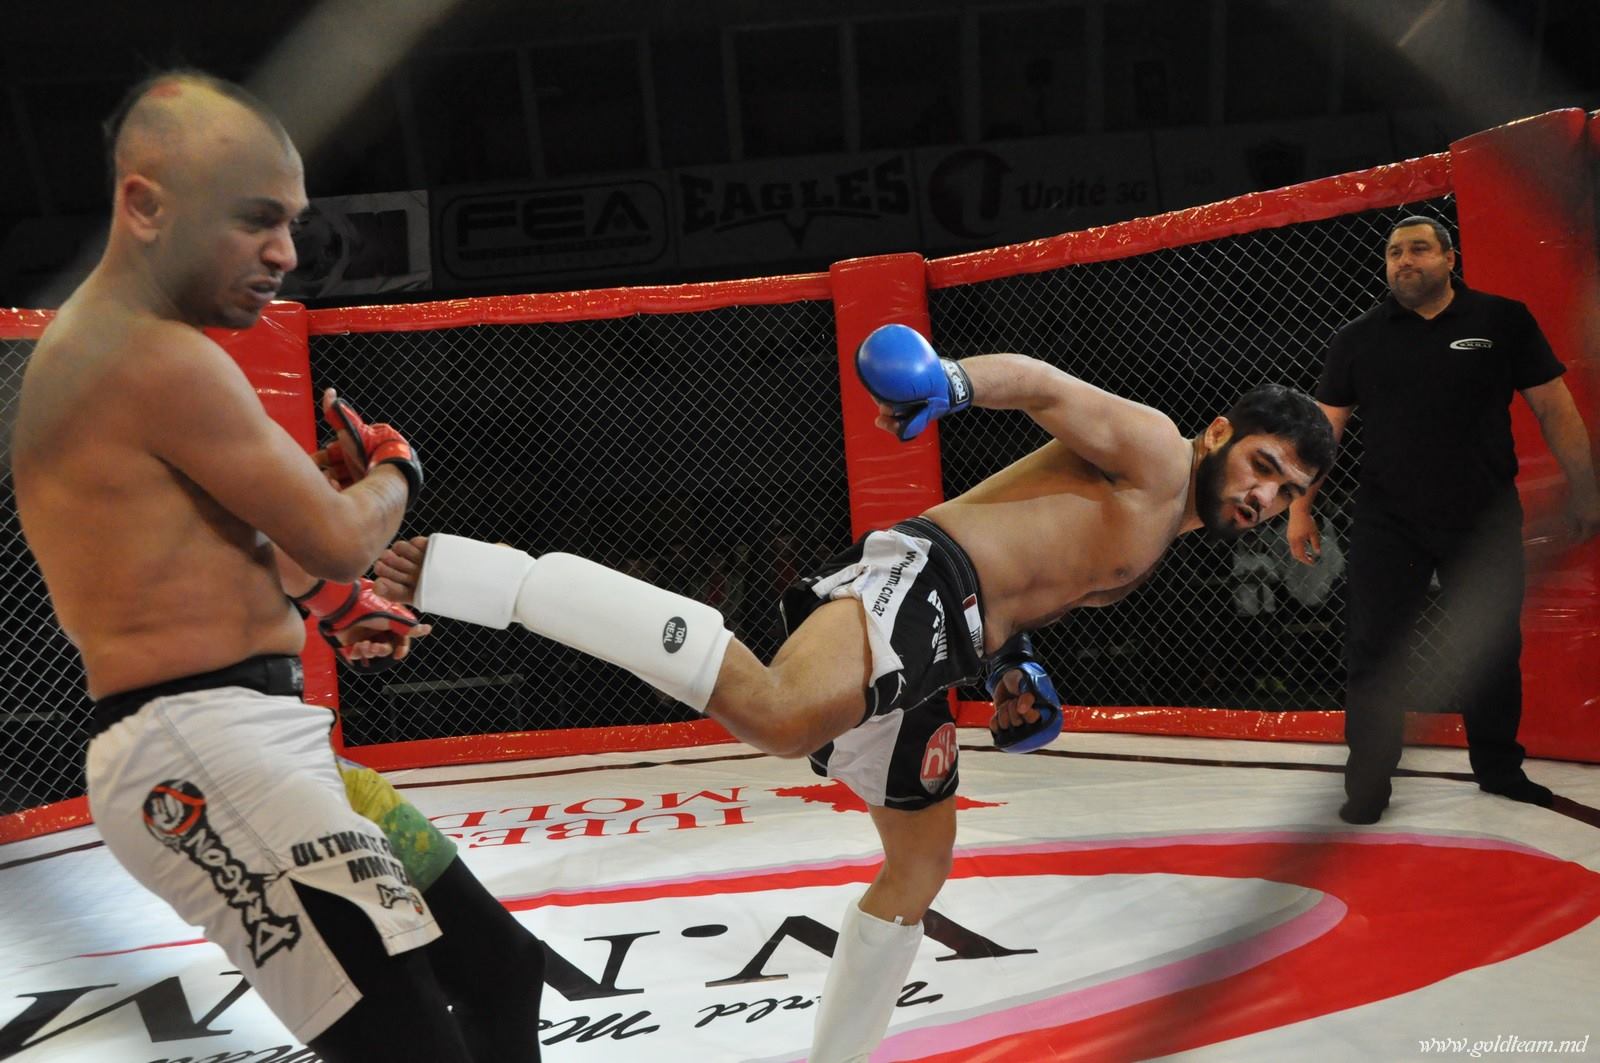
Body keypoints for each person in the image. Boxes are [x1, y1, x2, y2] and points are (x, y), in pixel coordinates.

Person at [375, 323, 1336, 1063]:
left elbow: (1032, 571)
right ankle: (491, 575)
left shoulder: (1165, 520)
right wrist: (950, 382)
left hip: (954, 637)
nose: (1264, 497)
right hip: (928, 581)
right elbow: (1045, 386)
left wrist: (1009, 669)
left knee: (920, 861)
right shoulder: (1161, 452)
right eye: (1262, 466)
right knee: (778, 712)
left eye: (1286, 490)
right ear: (1220, 434)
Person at [11, 70, 540, 1062]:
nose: (287, 253)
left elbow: (259, 549)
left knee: (499, 968)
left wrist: (331, 603)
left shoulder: (129, 351)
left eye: (291, 223)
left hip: (253, 740)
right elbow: (339, 535)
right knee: (410, 1048)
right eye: (255, 219)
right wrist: (397, 469)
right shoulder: (149, 355)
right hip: (202, 755)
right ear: (145, 205)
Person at [1285, 216, 1600, 825]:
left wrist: (1586, 491)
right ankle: (1368, 785)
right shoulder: (1358, 338)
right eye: (1394, 253)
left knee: (1491, 644)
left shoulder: (1502, 320)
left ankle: (1499, 768)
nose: (1404, 260)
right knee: (1376, 650)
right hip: (1389, 521)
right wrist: (1300, 506)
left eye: (1419, 249)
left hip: (1483, 518)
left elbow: (1555, 409)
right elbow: (1324, 429)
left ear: (1450, 258)